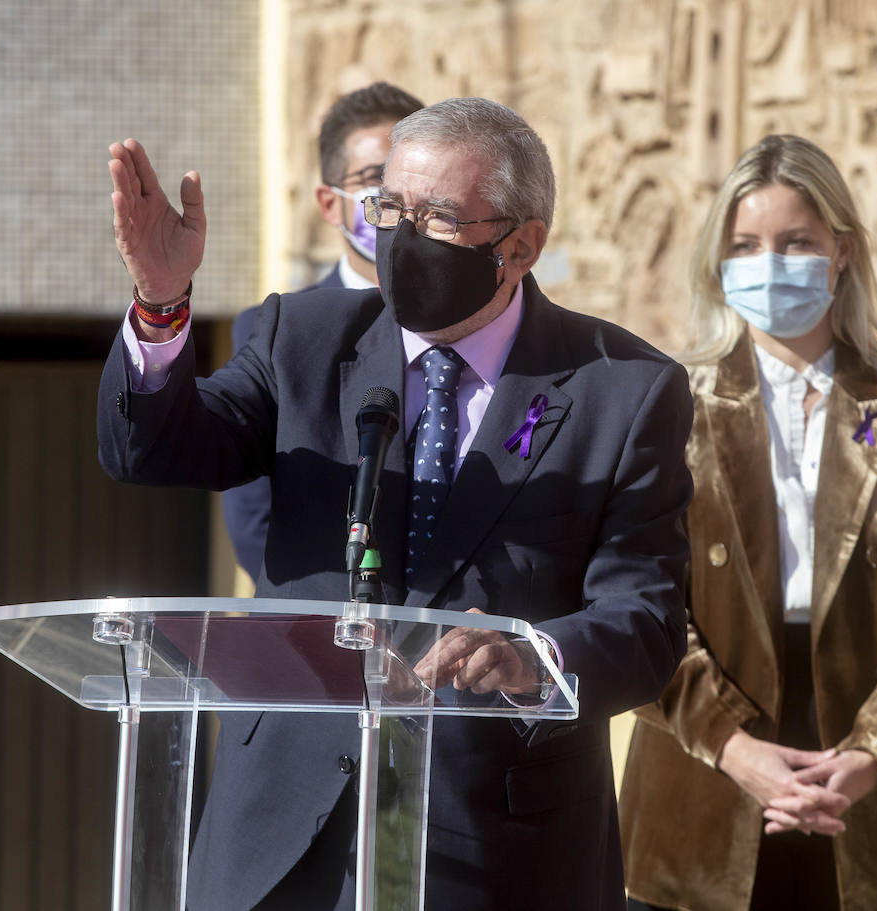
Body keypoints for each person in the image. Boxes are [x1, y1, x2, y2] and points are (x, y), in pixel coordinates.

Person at [97, 97, 694, 910]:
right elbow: (151, 449)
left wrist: (534, 657)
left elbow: (646, 618)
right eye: (388, 208)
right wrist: (161, 305)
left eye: (438, 217)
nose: (402, 238)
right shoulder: (300, 339)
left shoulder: (621, 389)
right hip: (279, 839)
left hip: (495, 849)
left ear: (520, 245)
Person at [618, 134, 877, 911]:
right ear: (718, 261)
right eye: (745, 245)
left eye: (795, 242)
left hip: (867, 786)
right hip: (701, 777)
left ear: (841, 252)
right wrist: (733, 746)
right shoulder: (667, 403)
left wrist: (869, 757)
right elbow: (639, 609)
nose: (769, 264)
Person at [223, 81, 424, 580]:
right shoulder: (281, 328)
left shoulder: (475, 318)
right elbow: (254, 522)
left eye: (409, 176)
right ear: (330, 202)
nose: (395, 197)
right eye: (376, 178)